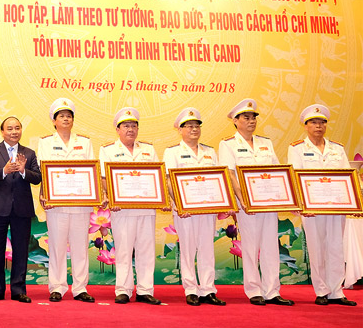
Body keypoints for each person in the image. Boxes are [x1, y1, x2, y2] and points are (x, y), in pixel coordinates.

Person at [218, 99, 294, 306]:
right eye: (246, 118)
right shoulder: (228, 144)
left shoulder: (265, 143)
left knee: (271, 246)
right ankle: (254, 290)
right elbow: (230, 174)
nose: (251, 121)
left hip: (268, 202)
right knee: (250, 247)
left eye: (253, 118)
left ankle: (272, 291)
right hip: (246, 205)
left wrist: (285, 198)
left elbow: (278, 172)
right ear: (235, 121)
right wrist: (242, 199)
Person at [287, 104, 356, 306]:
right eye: (314, 122)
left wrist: (351, 202)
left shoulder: (337, 149)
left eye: (322, 122)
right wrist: (301, 204)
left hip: (336, 206)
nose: (318, 126)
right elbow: (294, 177)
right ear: (305, 125)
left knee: (336, 247)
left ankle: (337, 291)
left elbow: (346, 177)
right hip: (312, 209)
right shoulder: (297, 148)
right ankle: (321, 290)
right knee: (317, 248)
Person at [162, 107, 226, 306]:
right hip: (185, 211)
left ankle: (208, 289)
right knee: (188, 249)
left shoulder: (210, 152)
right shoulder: (172, 152)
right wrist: (179, 204)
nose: (194, 129)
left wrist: (221, 202)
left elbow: (218, 179)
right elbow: (168, 180)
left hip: (207, 208)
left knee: (207, 248)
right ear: (180, 130)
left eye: (196, 126)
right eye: (188, 126)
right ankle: (191, 289)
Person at [98, 107, 162, 305]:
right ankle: (123, 290)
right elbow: (103, 178)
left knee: (146, 249)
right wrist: (112, 198)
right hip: (122, 209)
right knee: (123, 250)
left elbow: (156, 176)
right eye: (126, 126)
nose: (130, 129)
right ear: (118, 129)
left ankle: (145, 290)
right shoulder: (108, 150)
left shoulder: (148, 150)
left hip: (146, 208)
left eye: (134, 126)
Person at [37, 98, 95, 303]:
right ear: (54, 121)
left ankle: (80, 288)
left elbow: (91, 171)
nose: (65, 119)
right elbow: (43, 171)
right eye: (61, 116)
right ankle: (57, 287)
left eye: (69, 116)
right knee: (57, 247)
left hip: (81, 203)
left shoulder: (85, 143)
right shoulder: (45, 143)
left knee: (80, 247)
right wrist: (43, 194)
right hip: (56, 204)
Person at [0, 116, 42, 303]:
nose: (14, 132)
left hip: (21, 209)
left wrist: (23, 171)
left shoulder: (29, 153)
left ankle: (18, 290)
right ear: (2, 131)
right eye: (10, 128)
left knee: (21, 250)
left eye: (17, 128)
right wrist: (4, 171)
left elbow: (37, 178)